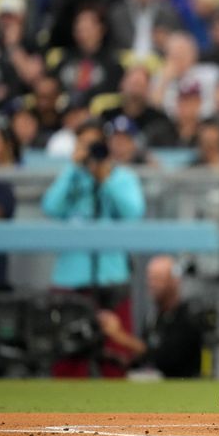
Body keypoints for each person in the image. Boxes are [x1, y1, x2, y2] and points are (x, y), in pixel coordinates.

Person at [41, 118, 146, 376]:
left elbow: (134, 212)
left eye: (94, 144)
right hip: (71, 277)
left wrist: (105, 178)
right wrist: (73, 170)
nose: (89, 149)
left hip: (112, 277)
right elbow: (50, 207)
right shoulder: (72, 177)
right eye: (83, 143)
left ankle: (118, 416)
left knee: (115, 358)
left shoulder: (122, 177)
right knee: (67, 360)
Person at [97, 255, 205, 378]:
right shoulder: (154, 317)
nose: (152, 284)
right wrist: (117, 359)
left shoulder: (187, 316)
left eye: (159, 279)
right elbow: (146, 357)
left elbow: (166, 358)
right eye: (150, 279)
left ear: (174, 281)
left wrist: (119, 335)